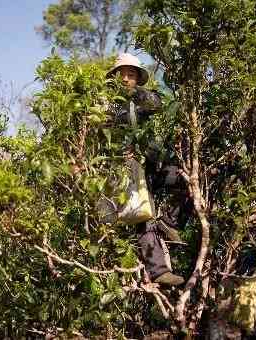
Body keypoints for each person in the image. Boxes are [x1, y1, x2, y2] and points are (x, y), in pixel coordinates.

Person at [106, 53, 186, 286]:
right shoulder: (108, 105)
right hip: (129, 167)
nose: (126, 79)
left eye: (131, 75)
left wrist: (137, 94)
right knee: (143, 215)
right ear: (114, 78)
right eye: (122, 75)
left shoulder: (142, 100)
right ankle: (159, 270)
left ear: (137, 79)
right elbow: (101, 134)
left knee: (185, 181)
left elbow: (160, 104)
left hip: (152, 162)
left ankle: (169, 222)